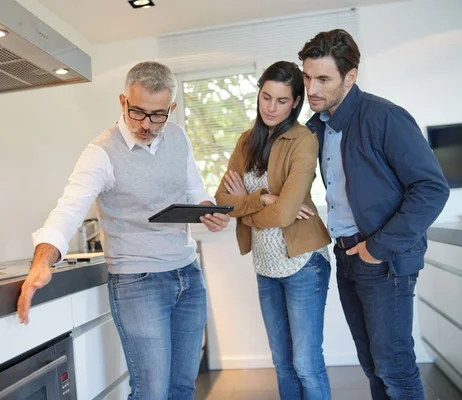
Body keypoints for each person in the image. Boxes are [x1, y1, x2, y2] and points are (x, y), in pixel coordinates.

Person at [16, 61, 230, 400]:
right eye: (138, 112)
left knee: (182, 388)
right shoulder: (100, 153)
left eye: (158, 115)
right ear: (122, 102)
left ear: (171, 108)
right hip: (138, 282)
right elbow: (69, 208)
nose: (146, 124)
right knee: (151, 393)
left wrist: (207, 210)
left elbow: (194, 190)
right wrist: (43, 260)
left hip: (187, 275)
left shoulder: (178, 136)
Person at [298, 29, 450, 400]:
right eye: (306, 77)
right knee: (372, 366)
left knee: (395, 368)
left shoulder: (385, 117)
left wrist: (376, 248)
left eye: (323, 79)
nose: (311, 88)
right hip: (346, 255)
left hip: (384, 260)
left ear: (350, 77)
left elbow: (431, 189)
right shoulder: (317, 127)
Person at [215, 61, 332, 400]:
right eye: (266, 97)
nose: (271, 107)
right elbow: (223, 200)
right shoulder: (246, 142)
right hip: (265, 266)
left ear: (296, 102)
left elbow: (283, 216)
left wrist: (248, 209)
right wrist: (264, 197)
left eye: (282, 100)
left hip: (303, 262)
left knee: (306, 363)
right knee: (282, 363)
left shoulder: (303, 141)